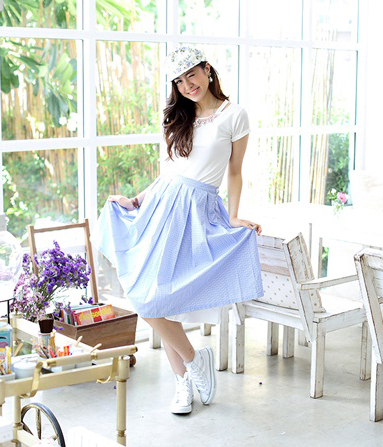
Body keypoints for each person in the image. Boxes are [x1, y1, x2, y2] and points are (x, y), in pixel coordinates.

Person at [95, 47, 264, 415]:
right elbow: (169, 173)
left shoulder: (234, 115)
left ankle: (188, 369)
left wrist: (235, 216)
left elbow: (235, 171)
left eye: (192, 75)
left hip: (197, 212)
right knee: (149, 297)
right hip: (161, 207)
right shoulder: (178, 117)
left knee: (161, 300)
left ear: (207, 69)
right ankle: (187, 370)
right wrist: (136, 201)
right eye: (180, 81)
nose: (188, 85)